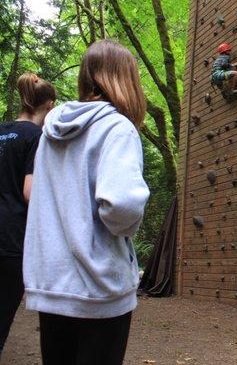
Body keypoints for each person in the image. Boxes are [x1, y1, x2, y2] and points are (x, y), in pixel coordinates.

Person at [23, 39, 150, 365]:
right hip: (99, 287)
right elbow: (122, 206)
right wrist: (127, 229)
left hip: (53, 286)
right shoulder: (117, 128)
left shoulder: (50, 134)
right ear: (127, 80)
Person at [0, 73, 56, 358]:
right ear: (47, 106)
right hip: (11, 239)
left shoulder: (1, 130)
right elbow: (29, 192)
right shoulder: (36, 137)